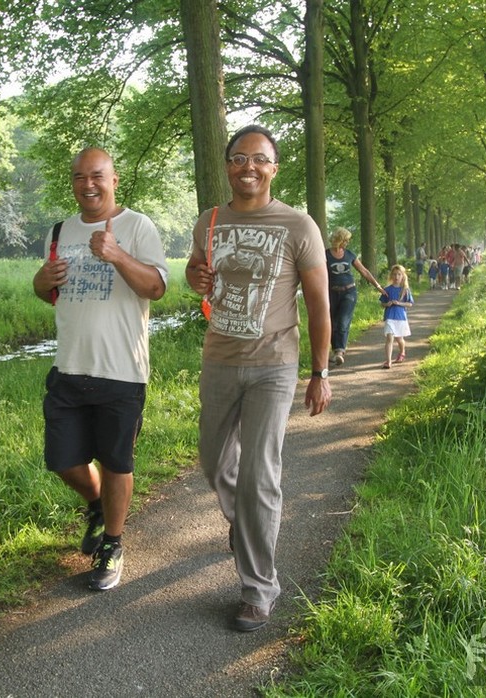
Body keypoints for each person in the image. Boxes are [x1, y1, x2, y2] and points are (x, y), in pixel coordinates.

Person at [185, 125, 332, 632]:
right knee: (213, 461)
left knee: (259, 473)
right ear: (228, 165)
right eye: (239, 158)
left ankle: (258, 589)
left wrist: (320, 371)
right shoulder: (209, 221)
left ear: (274, 168)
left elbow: (318, 304)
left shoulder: (298, 225)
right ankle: (244, 522)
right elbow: (196, 271)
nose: (249, 167)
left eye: (260, 159)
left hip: (274, 363)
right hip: (219, 359)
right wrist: (195, 276)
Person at [32, 147, 168, 591]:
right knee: (63, 461)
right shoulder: (60, 231)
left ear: (114, 179)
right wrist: (41, 282)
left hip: (121, 371)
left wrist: (117, 256)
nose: (87, 184)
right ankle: (96, 504)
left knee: (115, 462)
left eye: (96, 176)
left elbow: (157, 287)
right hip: (69, 367)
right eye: (79, 177)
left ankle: (112, 542)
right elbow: (48, 291)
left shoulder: (138, 226)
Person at [325, 227, 385, 367]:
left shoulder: (349, 254)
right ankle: (335, 350)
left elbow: (364, 271)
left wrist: (377, 286)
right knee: (333, 323)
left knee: (343, 320)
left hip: (349, 292)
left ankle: (340, 351)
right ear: (339, 239)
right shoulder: (325, 255)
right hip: (331, 293)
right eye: (345, 240)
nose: (347, 243)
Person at [379, 264, 414, 369]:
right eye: (394, 274)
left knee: (399, 339)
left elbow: (410, 304)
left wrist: (399, 303)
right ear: (391, 276)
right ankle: (388, 361)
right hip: (389, 317)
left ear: (402, 276)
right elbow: (382, 303)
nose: (396, 277)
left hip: (400, 318)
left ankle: (402, 351)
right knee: (389, 338)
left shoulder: (405, 290)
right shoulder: (387, 289)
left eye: (399, 274)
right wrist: (387, 304)